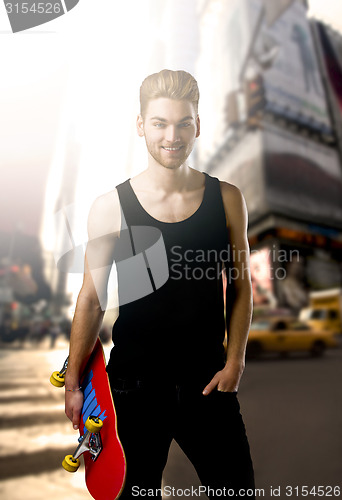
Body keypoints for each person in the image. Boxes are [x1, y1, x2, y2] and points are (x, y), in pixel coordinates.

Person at [65, 69, 255, 499]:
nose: (173, 135)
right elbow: (91, 299)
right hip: (132, 388)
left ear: (198, 126)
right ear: (140, 126)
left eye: (184, 122)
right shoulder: (109, 207)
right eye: (159, 123)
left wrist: (236, 361)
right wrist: (75, 384)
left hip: (208, 382)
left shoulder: (227, 199)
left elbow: (241, 287)